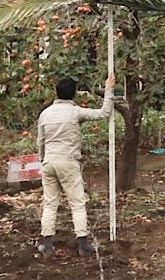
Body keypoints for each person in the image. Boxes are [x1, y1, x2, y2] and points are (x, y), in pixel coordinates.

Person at [36, 75, 115, 258]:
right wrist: (109, 90)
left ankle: (47, 246)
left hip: (49, 162)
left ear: (56, 92)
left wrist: (43, 159)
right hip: (68, 162)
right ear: (74, 94)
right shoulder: (75, 112)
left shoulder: (45, 114)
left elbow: (40, 141)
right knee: (77, 204)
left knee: (50, 204)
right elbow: (104, 113)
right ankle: (83, 246)